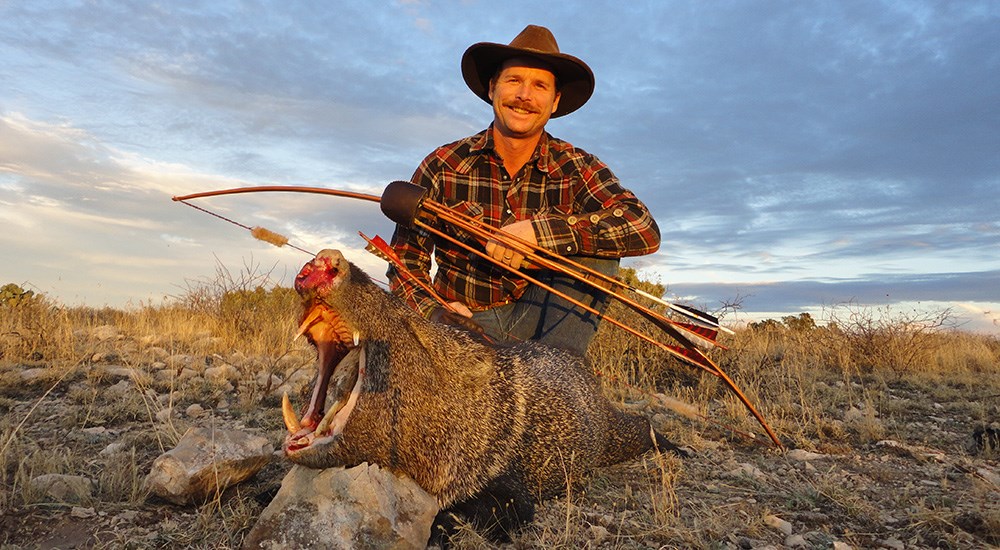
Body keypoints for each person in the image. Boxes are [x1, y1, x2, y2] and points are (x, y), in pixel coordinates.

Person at [387, 24, 659, 355]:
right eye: (514, 81)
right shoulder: (443, 163)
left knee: (600, 257)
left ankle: (554, 381)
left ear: (555, 101)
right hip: (466, 323)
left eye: (540, 86)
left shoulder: (576, 166)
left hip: (543, 327)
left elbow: (642, 226)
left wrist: (538, 233)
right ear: (492, 88)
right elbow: (405, 260)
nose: (525, 96)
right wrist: (434, 313)